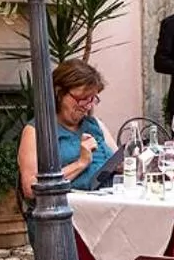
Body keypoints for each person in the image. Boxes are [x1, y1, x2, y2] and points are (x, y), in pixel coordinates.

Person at [18, 60, 113, 199]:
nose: (88, 106)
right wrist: (80, 163)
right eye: (82, 98)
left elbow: (120, 161)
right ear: (59, 93)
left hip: (107, 204)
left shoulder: (95, 124)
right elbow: (30, 189)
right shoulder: (36, 131)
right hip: (66, 212)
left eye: (92, 99)